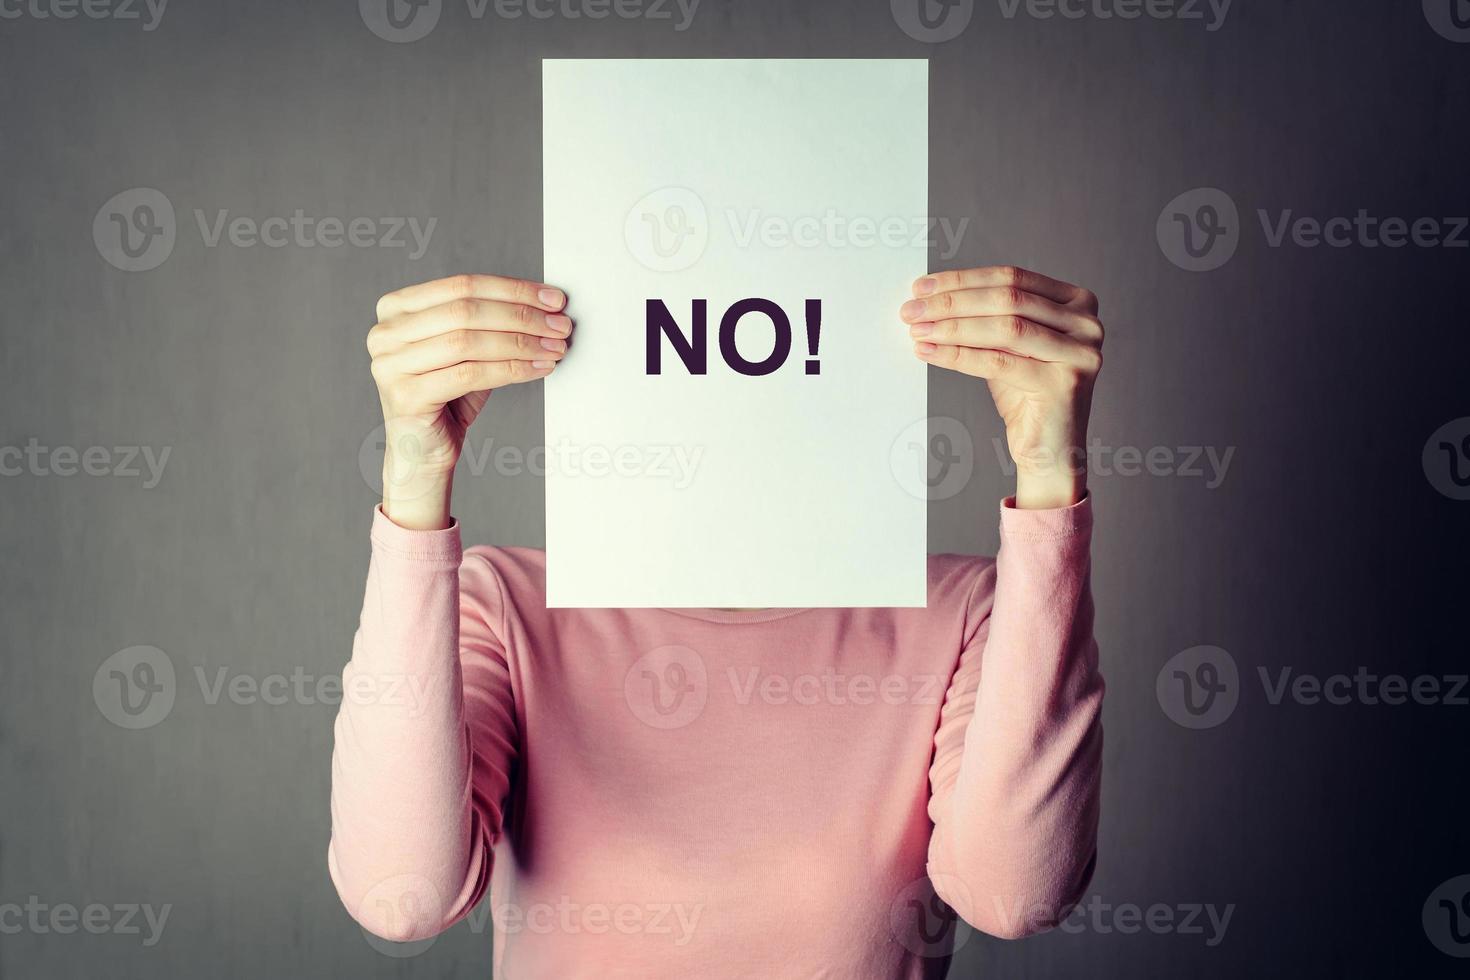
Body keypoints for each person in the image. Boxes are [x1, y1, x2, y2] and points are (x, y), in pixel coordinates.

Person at [328, 266, 1106, 978]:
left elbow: (1016, 895)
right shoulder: (507, 606)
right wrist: (415, 474)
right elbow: (402, 895)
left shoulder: (957, 614)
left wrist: (1049, 473)